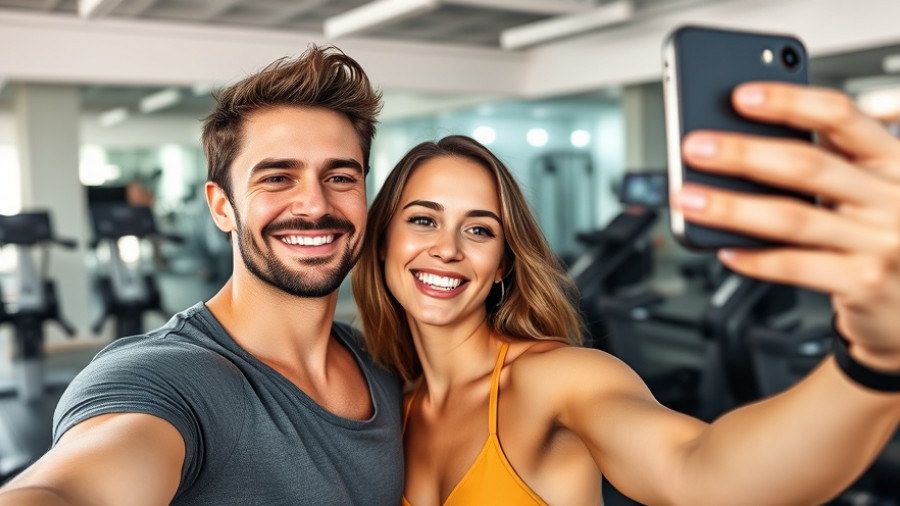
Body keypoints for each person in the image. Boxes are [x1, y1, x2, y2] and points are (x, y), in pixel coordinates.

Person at [352, 81, 900, 506]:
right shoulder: (391, 410)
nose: (447, 248)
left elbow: (701, 473)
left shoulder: (553, 380)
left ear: (501, 265)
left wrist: (876, 361)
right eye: (423, 220)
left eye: (479, 230)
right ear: (382, 244)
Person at [0, 45, 404, 506]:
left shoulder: (381, 365)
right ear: (221, 207)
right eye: (276, 178)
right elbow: (67, 487)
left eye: (340, 178)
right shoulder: (167, 379)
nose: (315, 204)